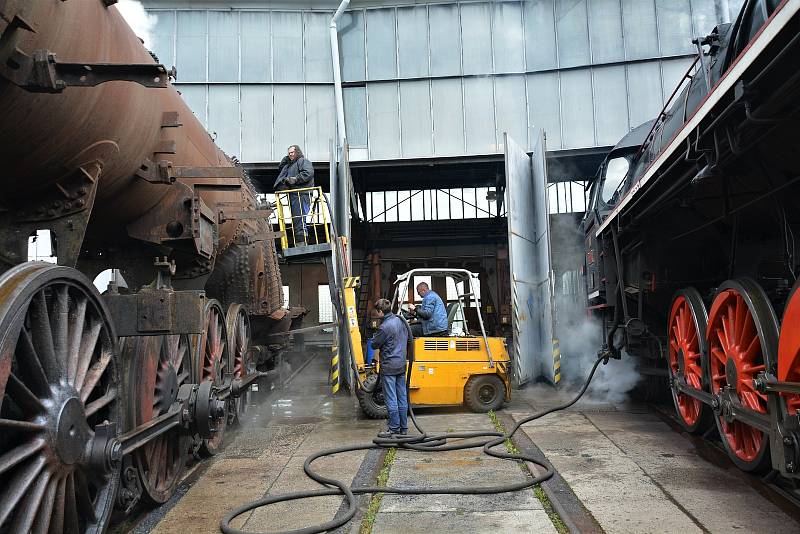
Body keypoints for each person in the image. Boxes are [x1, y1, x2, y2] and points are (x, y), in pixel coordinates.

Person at [371, 298, 409, 438]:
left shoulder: (384, 327)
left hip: (389, 366)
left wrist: (376, 336)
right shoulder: (400, 321)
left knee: (391, 398)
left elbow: (374, 345)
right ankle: (403, 428)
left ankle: (393, 429)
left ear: (381, 312)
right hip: (401, 364)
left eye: (377, 312)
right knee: (402, 397)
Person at [274, 145, 314, 245]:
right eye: (289, 153)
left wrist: (295, 179)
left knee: (299, 219)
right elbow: (282, 169)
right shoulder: (290, 166)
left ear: (297, 152)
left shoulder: (303, 161)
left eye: (292, 152)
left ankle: (302, 243)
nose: (290, 154)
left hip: (302, 193)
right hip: (294, 194)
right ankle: (300, 242)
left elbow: (308, 173)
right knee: (297, 219)